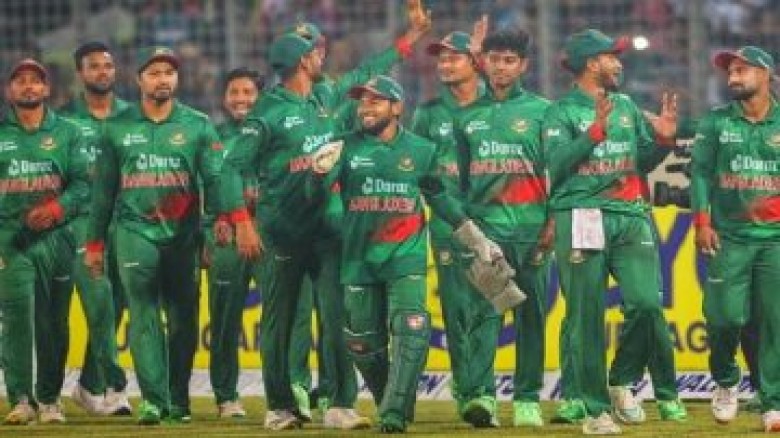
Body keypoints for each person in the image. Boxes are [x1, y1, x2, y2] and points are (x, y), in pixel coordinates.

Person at [220, 0, 433, 430]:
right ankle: (280, 406)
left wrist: (410, 38)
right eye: (316, 52)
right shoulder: (267, 112)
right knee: (280, 322)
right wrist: (242, 222)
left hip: (330, 230)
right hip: (282, 231)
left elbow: (367, 72)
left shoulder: (327, 96)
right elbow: (229, 168)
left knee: (338, 320)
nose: (323, 56)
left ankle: (340, 403)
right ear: (304, 60)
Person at [308, 74, 511, 433]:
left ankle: (394, 413)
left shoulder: (420, 150)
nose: (365, 108)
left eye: (375, 101)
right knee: (362, 344)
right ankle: (394, 399)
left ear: (397, 107)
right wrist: (316, 174)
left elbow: (439, 197)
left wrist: (477, 240)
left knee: (411, 328)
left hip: (406, 258)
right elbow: (316, 198)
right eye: (362, 101)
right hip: (358, 260)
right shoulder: (344, 146)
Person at [543, 29, 683, 435]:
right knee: (586, 316)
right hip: (581, 214)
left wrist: (664, 140)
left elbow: (642, 160)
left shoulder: (625, 105)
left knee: (647, 305)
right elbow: (555, 165)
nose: (618, 64)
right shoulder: (560, 112)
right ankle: (595, 410)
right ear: (592, 64)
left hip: (630, 214)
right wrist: (593, 133)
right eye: (611, 57)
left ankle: (621, 379)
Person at [85, 46, 222, 425]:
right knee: (143, 313)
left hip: (184, 236)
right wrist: (94, 244)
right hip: (134, 232)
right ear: (139, 79)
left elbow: (214, 182)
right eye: (155, 73)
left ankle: (178, 400)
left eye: (169, 72)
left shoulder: (198, 125)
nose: (163, 79)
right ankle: (154, 401)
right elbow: (102, 193)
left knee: (183, 320)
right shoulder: (116, 128)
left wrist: (213, 231)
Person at [456, 28, 554, 427]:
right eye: (494, 59)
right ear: (484, 63)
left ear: (523, 65)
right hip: (487, 232)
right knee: (483, 313)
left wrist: (552, 223)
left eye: (509, 60)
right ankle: (482, 396)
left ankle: (527, 398)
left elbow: (558, 174)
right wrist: (470, 232)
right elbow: (462, 183)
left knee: (531, 316)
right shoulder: (466, 117)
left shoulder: (544, 112)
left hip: (532, 230)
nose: (500, 67)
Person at [411, 28, 502, 427]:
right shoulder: (427, 113)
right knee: (457, 310)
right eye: (441, 58)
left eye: (454, 57)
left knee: (490, 306)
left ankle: (483, 392)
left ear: (475, 62)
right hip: (448, 225)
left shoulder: (496, 106)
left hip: (494, 220)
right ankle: (468, 390)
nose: (445, 64)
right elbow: (416, 171)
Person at [691, 45, 780, 431]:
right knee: (724, 319)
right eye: (730, 71)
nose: (733, 77)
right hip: (729, 237)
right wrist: (701, 222)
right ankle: (726, 381)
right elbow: (699, 174)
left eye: (742, 70)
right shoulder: (715, 122)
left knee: (775, 322)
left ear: (765, 74)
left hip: (775, 239)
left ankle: (773, 402)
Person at [0, 59, 89, 424]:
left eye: (35, 81)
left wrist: (56, 208)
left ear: (47, 89)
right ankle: (21, 399)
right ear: (9, 91)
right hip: (10, 240)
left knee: (54, 321)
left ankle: (50, 398)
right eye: (20, 81)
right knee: (16, 318)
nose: (28, 86)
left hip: (57, 237)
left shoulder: (68, 133)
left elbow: (84, 185)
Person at [58, 41, 131, 417]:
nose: (103, 72)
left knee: (117, 305)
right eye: (94, 66)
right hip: (82, 224)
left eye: (108, 65)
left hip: (127, 223)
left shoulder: (131, 116)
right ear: (80, 73)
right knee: (100, 300)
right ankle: (116, 388)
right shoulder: (63, 121)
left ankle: (88, 386)